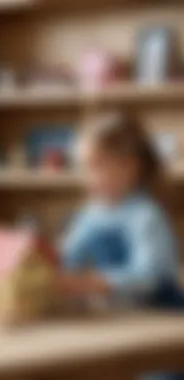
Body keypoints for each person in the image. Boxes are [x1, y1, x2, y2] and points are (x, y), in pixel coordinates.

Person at [59, 112, 183, 380]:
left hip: (160, 320)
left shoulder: (147, 214)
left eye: (96, 166)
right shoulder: (88, 215)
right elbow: (68, 259)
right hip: (120, 320)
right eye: (83, 167)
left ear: (129, 167)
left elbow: (151, 275)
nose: (87, 177)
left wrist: (94, 282)